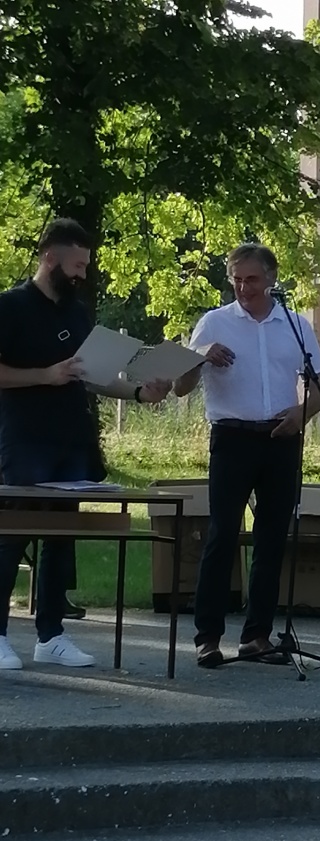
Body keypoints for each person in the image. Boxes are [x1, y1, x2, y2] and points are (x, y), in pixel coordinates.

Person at [0, 217, 170, 671]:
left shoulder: (77, 313)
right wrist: (45, 375)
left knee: (62, 537)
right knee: (12, 535)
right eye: (76, 266)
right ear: (49, 258)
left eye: (86, 267)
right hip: (24, 440)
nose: (82, 275)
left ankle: (51, 635)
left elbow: (92, 377)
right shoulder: (11, 307)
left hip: (72, 440)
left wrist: (139, 392)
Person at [174, 243, 320, 669]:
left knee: (272, 538)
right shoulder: (214, 322)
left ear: (272, 279)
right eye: (237, 280)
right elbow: (180, 388)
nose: (244, 288)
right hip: (232, 438)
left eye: (253, 279)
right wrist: (200, 356)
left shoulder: (295, 324)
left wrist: (302, 413)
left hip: (281, 437)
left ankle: (257, 636)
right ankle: (207, 637)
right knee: (223, 535)